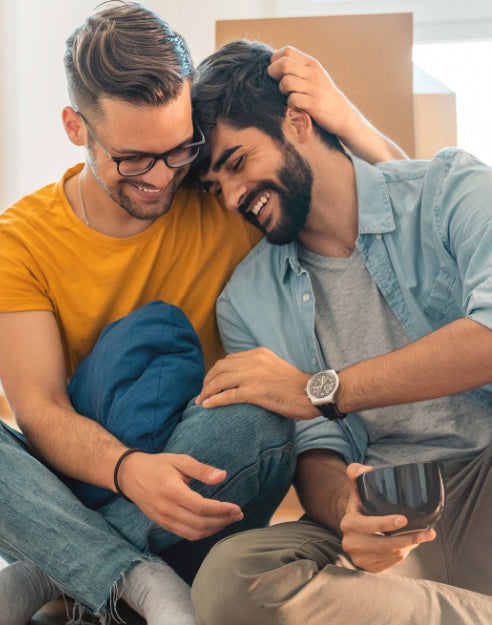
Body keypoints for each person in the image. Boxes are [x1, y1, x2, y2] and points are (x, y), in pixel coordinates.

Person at [0, 3, 405, 624]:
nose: (161, 180)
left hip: (211, 471)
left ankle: (59, 572)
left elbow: (399, 211)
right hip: (91, 481)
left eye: (177, 150)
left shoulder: (220, 190)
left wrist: (346, 118)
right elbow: (40, 408)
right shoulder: (16, 242)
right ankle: (134, 581)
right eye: (134, 159)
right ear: (76, 128)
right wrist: (129, 471)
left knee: (256, 417)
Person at [189, 39, 492, 625]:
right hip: (389, 513)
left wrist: (318, 389)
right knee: (231, 580)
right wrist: (343, 512)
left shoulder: (451, 190)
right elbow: (315, 450)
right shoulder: (247, 299)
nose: (230, 198)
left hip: (485, 475)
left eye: (235, 162)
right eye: (213, 187)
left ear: (297, 123)